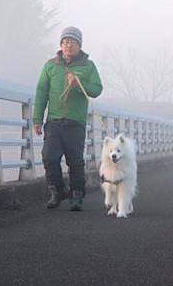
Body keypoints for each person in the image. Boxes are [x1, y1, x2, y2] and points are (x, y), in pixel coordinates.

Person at [33, 26, 103, 211]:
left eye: (72, 42)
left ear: (79, 45)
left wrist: (79, 85)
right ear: (60, 44)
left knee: (75, 161)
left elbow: (97, 89)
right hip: (54, 121)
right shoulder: (51, 65)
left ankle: (77, 195)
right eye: (65, 41)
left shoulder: (88, 66)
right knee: (49, 157)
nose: (68, 45)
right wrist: (37, 119)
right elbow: (41, 93)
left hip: (75, 122)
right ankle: (57, 191)